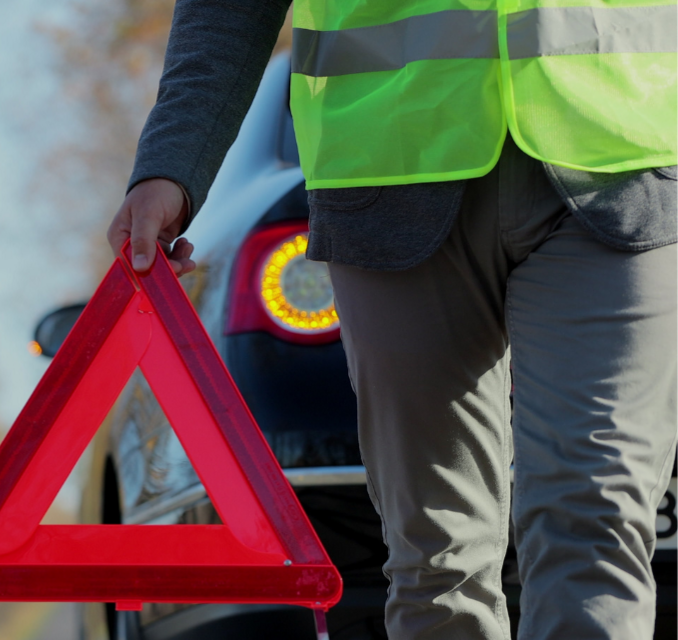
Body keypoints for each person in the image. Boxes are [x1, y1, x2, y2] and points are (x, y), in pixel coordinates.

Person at [106, 1, 678, 638]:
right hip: (391, 171)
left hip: (624, 159)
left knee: (595, 517)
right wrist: (170, 166)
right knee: (438, 562)